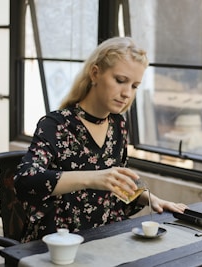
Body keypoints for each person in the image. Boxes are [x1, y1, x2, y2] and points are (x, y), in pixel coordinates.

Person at [14, 36, 188, 243]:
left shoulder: (118, 124)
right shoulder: (55, 124)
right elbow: (26, 180)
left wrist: (154, 199)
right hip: (60, 242)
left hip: (108, 236)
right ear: (95, 73)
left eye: (134, 86)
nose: (126, 93)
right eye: (120, 80)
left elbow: (118, 179)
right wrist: (93, 178)